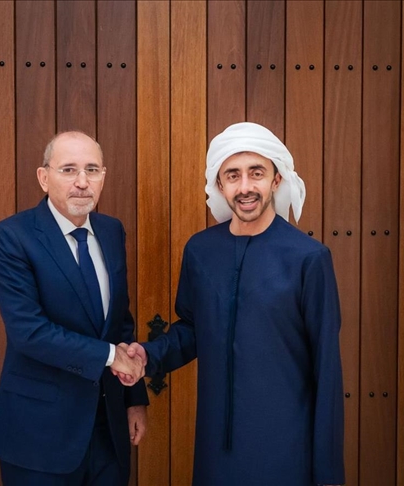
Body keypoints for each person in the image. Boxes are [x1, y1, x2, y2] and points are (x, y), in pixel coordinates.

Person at [125, 122, 344, 485]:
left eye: (256, 173)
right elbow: (193, 329)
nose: (245, 187)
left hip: (287, 449)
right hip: (216, 449)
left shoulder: (309, 258)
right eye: (233, 175)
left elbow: (327, 367)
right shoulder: (200, 251)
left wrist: (328, 473)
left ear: (276, 180)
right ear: (219, 185)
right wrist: (147, 356)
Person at [0, 131, 148, 485]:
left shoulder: (111, 231)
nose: (82, 182)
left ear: (103, 176)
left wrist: (133, 399)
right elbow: (29, 332)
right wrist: (110, 356)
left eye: (92, 170)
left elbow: (120, 322)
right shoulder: (11, 237)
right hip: (40, 435)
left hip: (108, 431)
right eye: (68, 170)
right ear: (44, 177)